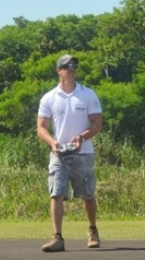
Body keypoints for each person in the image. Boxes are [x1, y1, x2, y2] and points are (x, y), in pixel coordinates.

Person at [37, 54, 103, 252]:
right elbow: (41, 127)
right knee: (56, 193)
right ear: (59, 70)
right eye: (67, 66)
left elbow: (97, 123)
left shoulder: (88, 94)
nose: (72, 68)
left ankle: (92, 230)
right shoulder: (49, 97)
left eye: (74, 65)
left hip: (83, 152)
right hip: (59, 153)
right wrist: (52, 142)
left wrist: (82, 137)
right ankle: (57, 237)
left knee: (87, 194)